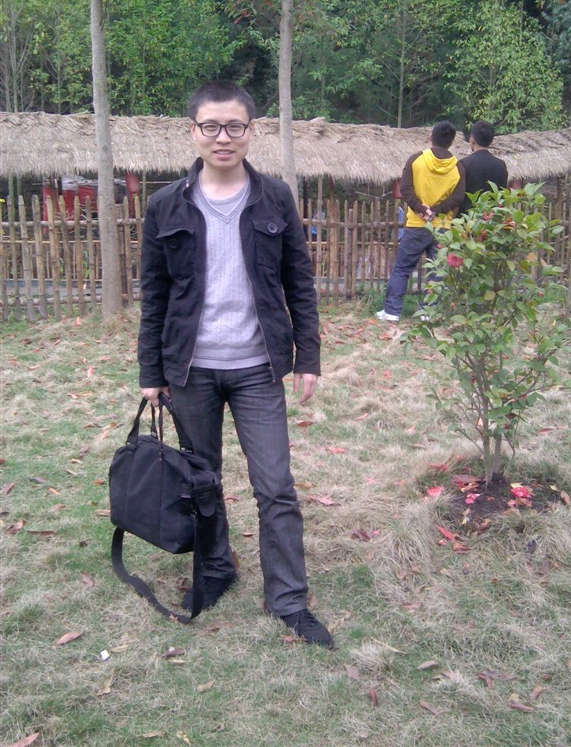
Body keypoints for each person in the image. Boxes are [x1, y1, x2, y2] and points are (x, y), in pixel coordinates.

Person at [137, 80, 333, 648]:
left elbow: (299, 282)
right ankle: (216, 570)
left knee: (276, 486)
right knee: (202, 482)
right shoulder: (165, 205)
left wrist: (308, 356)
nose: (222, 137)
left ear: (251, 131)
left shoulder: (275, 199)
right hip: (190, 370)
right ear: (193, 131)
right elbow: (154, 295)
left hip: (257, 368)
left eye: (234, 126)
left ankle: (288, 599)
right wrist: (151, 373)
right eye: (211, 126)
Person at [377, 120, 465, 322]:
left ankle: (392, 311)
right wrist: (436, 210)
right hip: (442, 228)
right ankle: (429, 312)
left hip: (417, 225)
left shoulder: (416, 160)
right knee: (436, 271)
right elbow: (458, 197)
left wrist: (421, 209)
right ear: (452, 142)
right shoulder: (458, 167)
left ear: (430, 137)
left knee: (402, 268)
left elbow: (405, 189)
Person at [459, 120, 508, 213]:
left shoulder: (463, 164)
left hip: (467, 218)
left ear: (472, 140)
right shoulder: (501, 165)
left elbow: (458, 196)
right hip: (491, 218)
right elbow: (502, 196)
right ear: (491, 142)